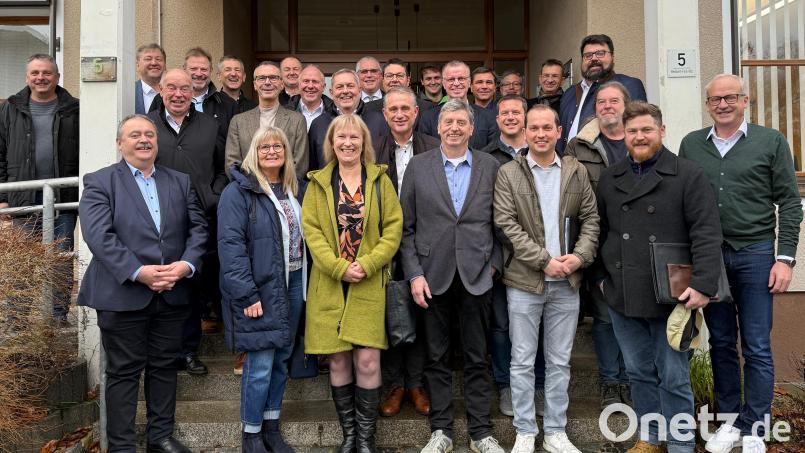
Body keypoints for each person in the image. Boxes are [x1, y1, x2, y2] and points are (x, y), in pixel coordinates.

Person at [679, 74, 803, 453]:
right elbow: (683, 202)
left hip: (755, 254)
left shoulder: (770, 141)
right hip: (710, 257)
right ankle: (730, 423)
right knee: (720, 344)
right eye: (715, 99)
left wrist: (784, 259)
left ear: (745, 100)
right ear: (707, 104)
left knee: (757, 346)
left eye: (730, 97)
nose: (723, 105)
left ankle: (755, 428)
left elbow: (790, 202)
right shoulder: (692, 145)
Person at [595, 102, 723, 453]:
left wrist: (703, 285)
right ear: (624, 135)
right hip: (623, 293)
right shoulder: (611, 177)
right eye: (633, 131)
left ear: (661, 131)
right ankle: (650, 438)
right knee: (638, 372)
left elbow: (707, 233)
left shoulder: (687, 174)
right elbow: (600, 230)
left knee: (674, 376)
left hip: (673, 295)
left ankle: (680, 442)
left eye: (647, 130)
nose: (640, 136)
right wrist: (602, 280)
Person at [78, 114, 207, 453]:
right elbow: (99, 236)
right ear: (121, 144)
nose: (144, 140)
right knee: (123, 373)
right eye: (135, 135)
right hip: (122, 294)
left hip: (172, 291)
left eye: (149, 134)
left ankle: (160, 437)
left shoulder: (179, 181)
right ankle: (121, 446)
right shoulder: (101, 181)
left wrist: (185, 266)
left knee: (164, 366)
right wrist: (140, 272)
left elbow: (198, 229)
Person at [494, 104, 599, 453]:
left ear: (558, 132)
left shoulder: (575, 170)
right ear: (524, 133)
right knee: (522, 359)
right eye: (533, 128)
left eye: (546, 128)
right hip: (525, 282)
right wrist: (544, 261)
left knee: (558, 361)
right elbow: (506, 225)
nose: (540, 134)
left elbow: (591, 219)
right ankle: (525, 429)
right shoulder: (508, 172)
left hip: (567, 283)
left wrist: (579, 258)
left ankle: (555, 430)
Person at [400, 100, 504, 453]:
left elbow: (503, 223)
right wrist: (414, 274)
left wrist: (495, 264)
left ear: (472, 128)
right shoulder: (417, 166)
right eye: (449, 122)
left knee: (477, 357)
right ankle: (441, 430)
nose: (455, 128)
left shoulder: (490, 166)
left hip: (478, 275)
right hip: (432, 277)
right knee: (436, 357)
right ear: (439, 128)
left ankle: (480, 432)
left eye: (462, 122)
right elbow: (406, 228)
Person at [302, 114, 403, 453]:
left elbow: (393, 229)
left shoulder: (379, 181)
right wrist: (338, 267)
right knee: (340, 361)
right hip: (330, 284)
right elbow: (311, 232)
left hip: (368, 282)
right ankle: (349, 436)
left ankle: (365, 439)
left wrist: (368, 263)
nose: (347, 143)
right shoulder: (318, 183)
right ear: (331, 143)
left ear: (364, 143)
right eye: (340, 137)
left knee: (368, 361)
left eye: (354, 137)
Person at [218, 126, 307, 453]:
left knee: (282, 358)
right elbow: (231, 247)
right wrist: (247, 294)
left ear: (286, 152)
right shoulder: (238, 192)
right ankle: (251, 435)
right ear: (254, 152)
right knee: (259, 365)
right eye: (265, 146)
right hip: (260, 289)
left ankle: (271, 427)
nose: (272, 151)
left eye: (278, 146)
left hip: (294, 283)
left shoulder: (292, 190)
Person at [148, 68, 228, 376]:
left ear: (193, 91)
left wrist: (213, 194)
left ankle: (189, 351)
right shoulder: (148, 126)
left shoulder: (210, 126)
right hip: (158, 218)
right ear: (161, 90)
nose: (179, 94)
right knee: (164, 285)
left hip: (201, 218)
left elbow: (223, 168)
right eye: (172, 88)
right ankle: (164, 353)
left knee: (194, 287)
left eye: (185, 88)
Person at [564, 81, 632, 409]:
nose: (606, 106)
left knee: (634, 315)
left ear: (625, 105)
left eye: (613, 101)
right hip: (599, 244)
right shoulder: (579, 147)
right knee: (605, 317)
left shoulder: (641, 139)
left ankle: (633, 378)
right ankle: (610, 381)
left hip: (637, 246)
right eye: (601, 102)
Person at [372, 87, 439, 418]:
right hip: (384, 246)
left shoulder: (434, 148)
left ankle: (416, 383)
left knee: (422, 314)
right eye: (392, 109)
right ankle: (396, 384)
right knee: (390, 317)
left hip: (425, 245)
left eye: (405, 108)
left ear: (416, 113)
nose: (399, 114)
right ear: (385, 115)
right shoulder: (371, 151)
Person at [0, 53, 79, 322]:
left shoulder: (74, 109)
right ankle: (18, 319)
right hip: (23, 199)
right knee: (21, 262)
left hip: (63, 201)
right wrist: (2, 198)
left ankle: (58, 316)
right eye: (35, 73)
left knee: (60, 260)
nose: (41, 78)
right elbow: (0, 153)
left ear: (57, 77)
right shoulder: (9, 108)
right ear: (27, 77)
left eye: (47, 73)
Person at [479, 95, 536, 418]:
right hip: (501, 257)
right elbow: (484, 213)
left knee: (535, 326)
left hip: (539, 258)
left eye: (517, 112)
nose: (511, 117)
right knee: (501, 326)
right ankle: (505, 385)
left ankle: (536, 387)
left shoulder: (544, 152)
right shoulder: (487, 158)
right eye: (505, 113)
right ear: (496, 119)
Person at [558, 34, 646, 152]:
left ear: (612, 57)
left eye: (600, 53)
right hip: (569, 165)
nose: (594, 58)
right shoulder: (569, 93)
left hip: (608, 166)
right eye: (588, 55)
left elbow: (639, 129)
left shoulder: (630, 86)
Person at [226, 61, 309, 180]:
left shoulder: (297, 120)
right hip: (248, 193)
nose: (267, 82)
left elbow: (300, 165)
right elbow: (232, 164)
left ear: (281, 84)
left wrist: (278, 187)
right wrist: (252, 188)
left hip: (285, 192)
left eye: (273, 78)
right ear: (255, 85)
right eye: (261, 78)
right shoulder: (238, 122)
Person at [308, 69, 387, 171]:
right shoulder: (318, 124)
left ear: (359, 90)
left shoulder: (379, 121)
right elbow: (312, 167)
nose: (345, 91)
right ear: (331, 93)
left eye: (350, 86)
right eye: (339, 87)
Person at [417, 61, 499, 150]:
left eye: (461, 78)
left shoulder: (488, 117)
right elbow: (424, 151)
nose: (456, 83)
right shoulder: (428, 117)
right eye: (451, 79)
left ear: (469, 82)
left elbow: (492, 151)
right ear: (443, 83)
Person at [283, 64, 338, 130]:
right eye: (306, 81)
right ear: (299, 85)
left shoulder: (336, 113)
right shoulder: (284, 112)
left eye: (315, 81)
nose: (310, 86)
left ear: (323, 87)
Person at [135, 43, 166, 114]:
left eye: (158, 59)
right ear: (138, 65)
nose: (154, 63)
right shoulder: (128, 92)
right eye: (148, 59)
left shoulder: (175, 92)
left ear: (165, 64)